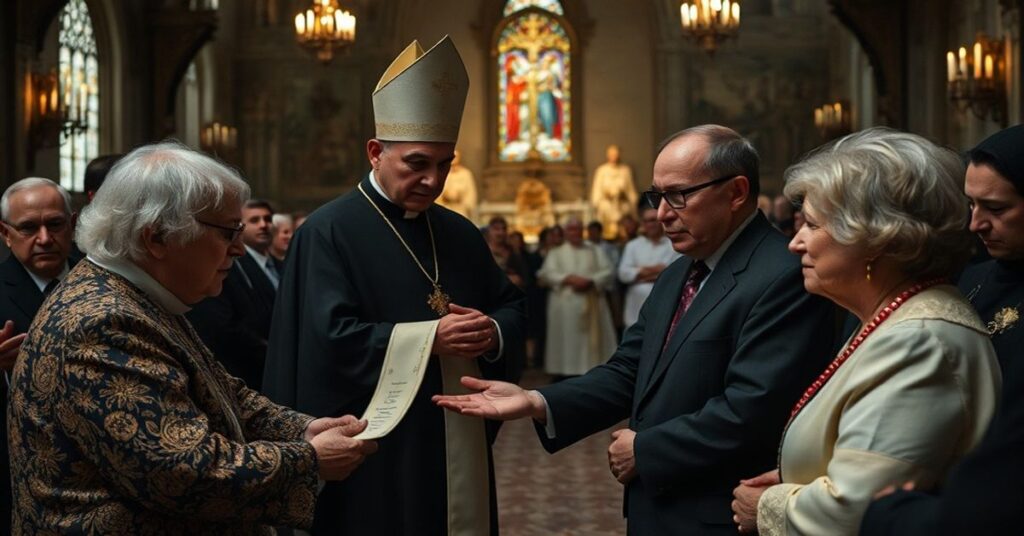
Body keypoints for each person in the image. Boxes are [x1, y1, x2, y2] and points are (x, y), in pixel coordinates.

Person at [435, 125, 838, 534]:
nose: (662, 213)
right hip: (662, 505)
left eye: (678, 195)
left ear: (735, 192)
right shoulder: (680, 272)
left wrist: (645, 450)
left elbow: (753, 409)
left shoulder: (782, 276)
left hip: (719, 510)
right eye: (656, 196)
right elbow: (629, 370)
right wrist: (535, 400)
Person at [6, 142, 377, 535]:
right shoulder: (101, 322)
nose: (238, 248)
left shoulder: (138, 294)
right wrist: (308, 459)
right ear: (157, 238)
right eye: (227, 232)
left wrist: (302, 429)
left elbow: (223, 391)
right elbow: (181, 471)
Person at [263, 36, 526, 536]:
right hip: (372, 437)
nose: (433, 180)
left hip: (453, 428)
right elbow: (327, 338)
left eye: (444, 165)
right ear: (376, 151)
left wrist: (491, 331)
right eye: (418, 164)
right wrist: (430, 338)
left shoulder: (458, 232)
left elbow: (510, 304)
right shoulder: (327, 232)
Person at [730, 128, 1001, 536]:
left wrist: (769, 505)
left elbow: (857, 508)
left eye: (814, 225)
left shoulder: (921, 341)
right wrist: (798, 478)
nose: (795, 243)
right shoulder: (895, 317)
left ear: (876, 237)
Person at [859, 124, 1024, 536]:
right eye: (971, 205)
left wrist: (895, 513)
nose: (975, 224)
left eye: (996, 209)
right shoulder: (970, 276)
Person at [0, 177, 81, 531]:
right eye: (29, 228)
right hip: (20, 475)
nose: (45, 239)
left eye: (56, 225)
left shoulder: (105, 283)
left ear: (73, 224)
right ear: (5, 233)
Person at [187, 199, 282, 389]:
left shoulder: (281, 265)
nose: (263, 225)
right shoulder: (230, 268)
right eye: (254, 220)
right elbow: (222, 325)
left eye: (267, 219)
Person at [538, 218, 618, 377]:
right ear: (566, 232)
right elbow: (546, 274)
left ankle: (592, 370)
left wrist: (591, 280)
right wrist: (567, 278)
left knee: (591, 345)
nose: (576, 233)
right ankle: (565, 372)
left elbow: (609, 271)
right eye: (572, 229)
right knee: (567, 342)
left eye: (578, 229)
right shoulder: (556, 252)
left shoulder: (594, 249)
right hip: (564, 307)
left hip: (592, 301)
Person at [618, 205, 680, 327]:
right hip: (636, 305)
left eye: (654, 220)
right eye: (647, 221)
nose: (651, 224)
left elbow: (675, 273)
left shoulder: (674, 244)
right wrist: (658, 269)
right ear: (642, 224)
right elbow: (623, 274)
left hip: (666, 302)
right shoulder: (633, 246)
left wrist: (639, 273)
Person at [591, 144, 639, 241]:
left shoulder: (625, 170)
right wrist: (599, 200)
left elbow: (630, 190)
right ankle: (607, 236)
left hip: (622, 202)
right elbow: (596, 190)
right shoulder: (601, 171)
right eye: (611, 154)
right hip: (606, 202)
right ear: (607, 155)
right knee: (605, 208)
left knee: (626, 210)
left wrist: (633, 201)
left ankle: (623, 235)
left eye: (616, 154)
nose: (614, 157)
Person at [436, 149, 478, 221]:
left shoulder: (466, 174)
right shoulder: (442, 173)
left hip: (460, 210)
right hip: (445, 208)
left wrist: (459, 197)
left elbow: (471, 194)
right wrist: (445, 195)